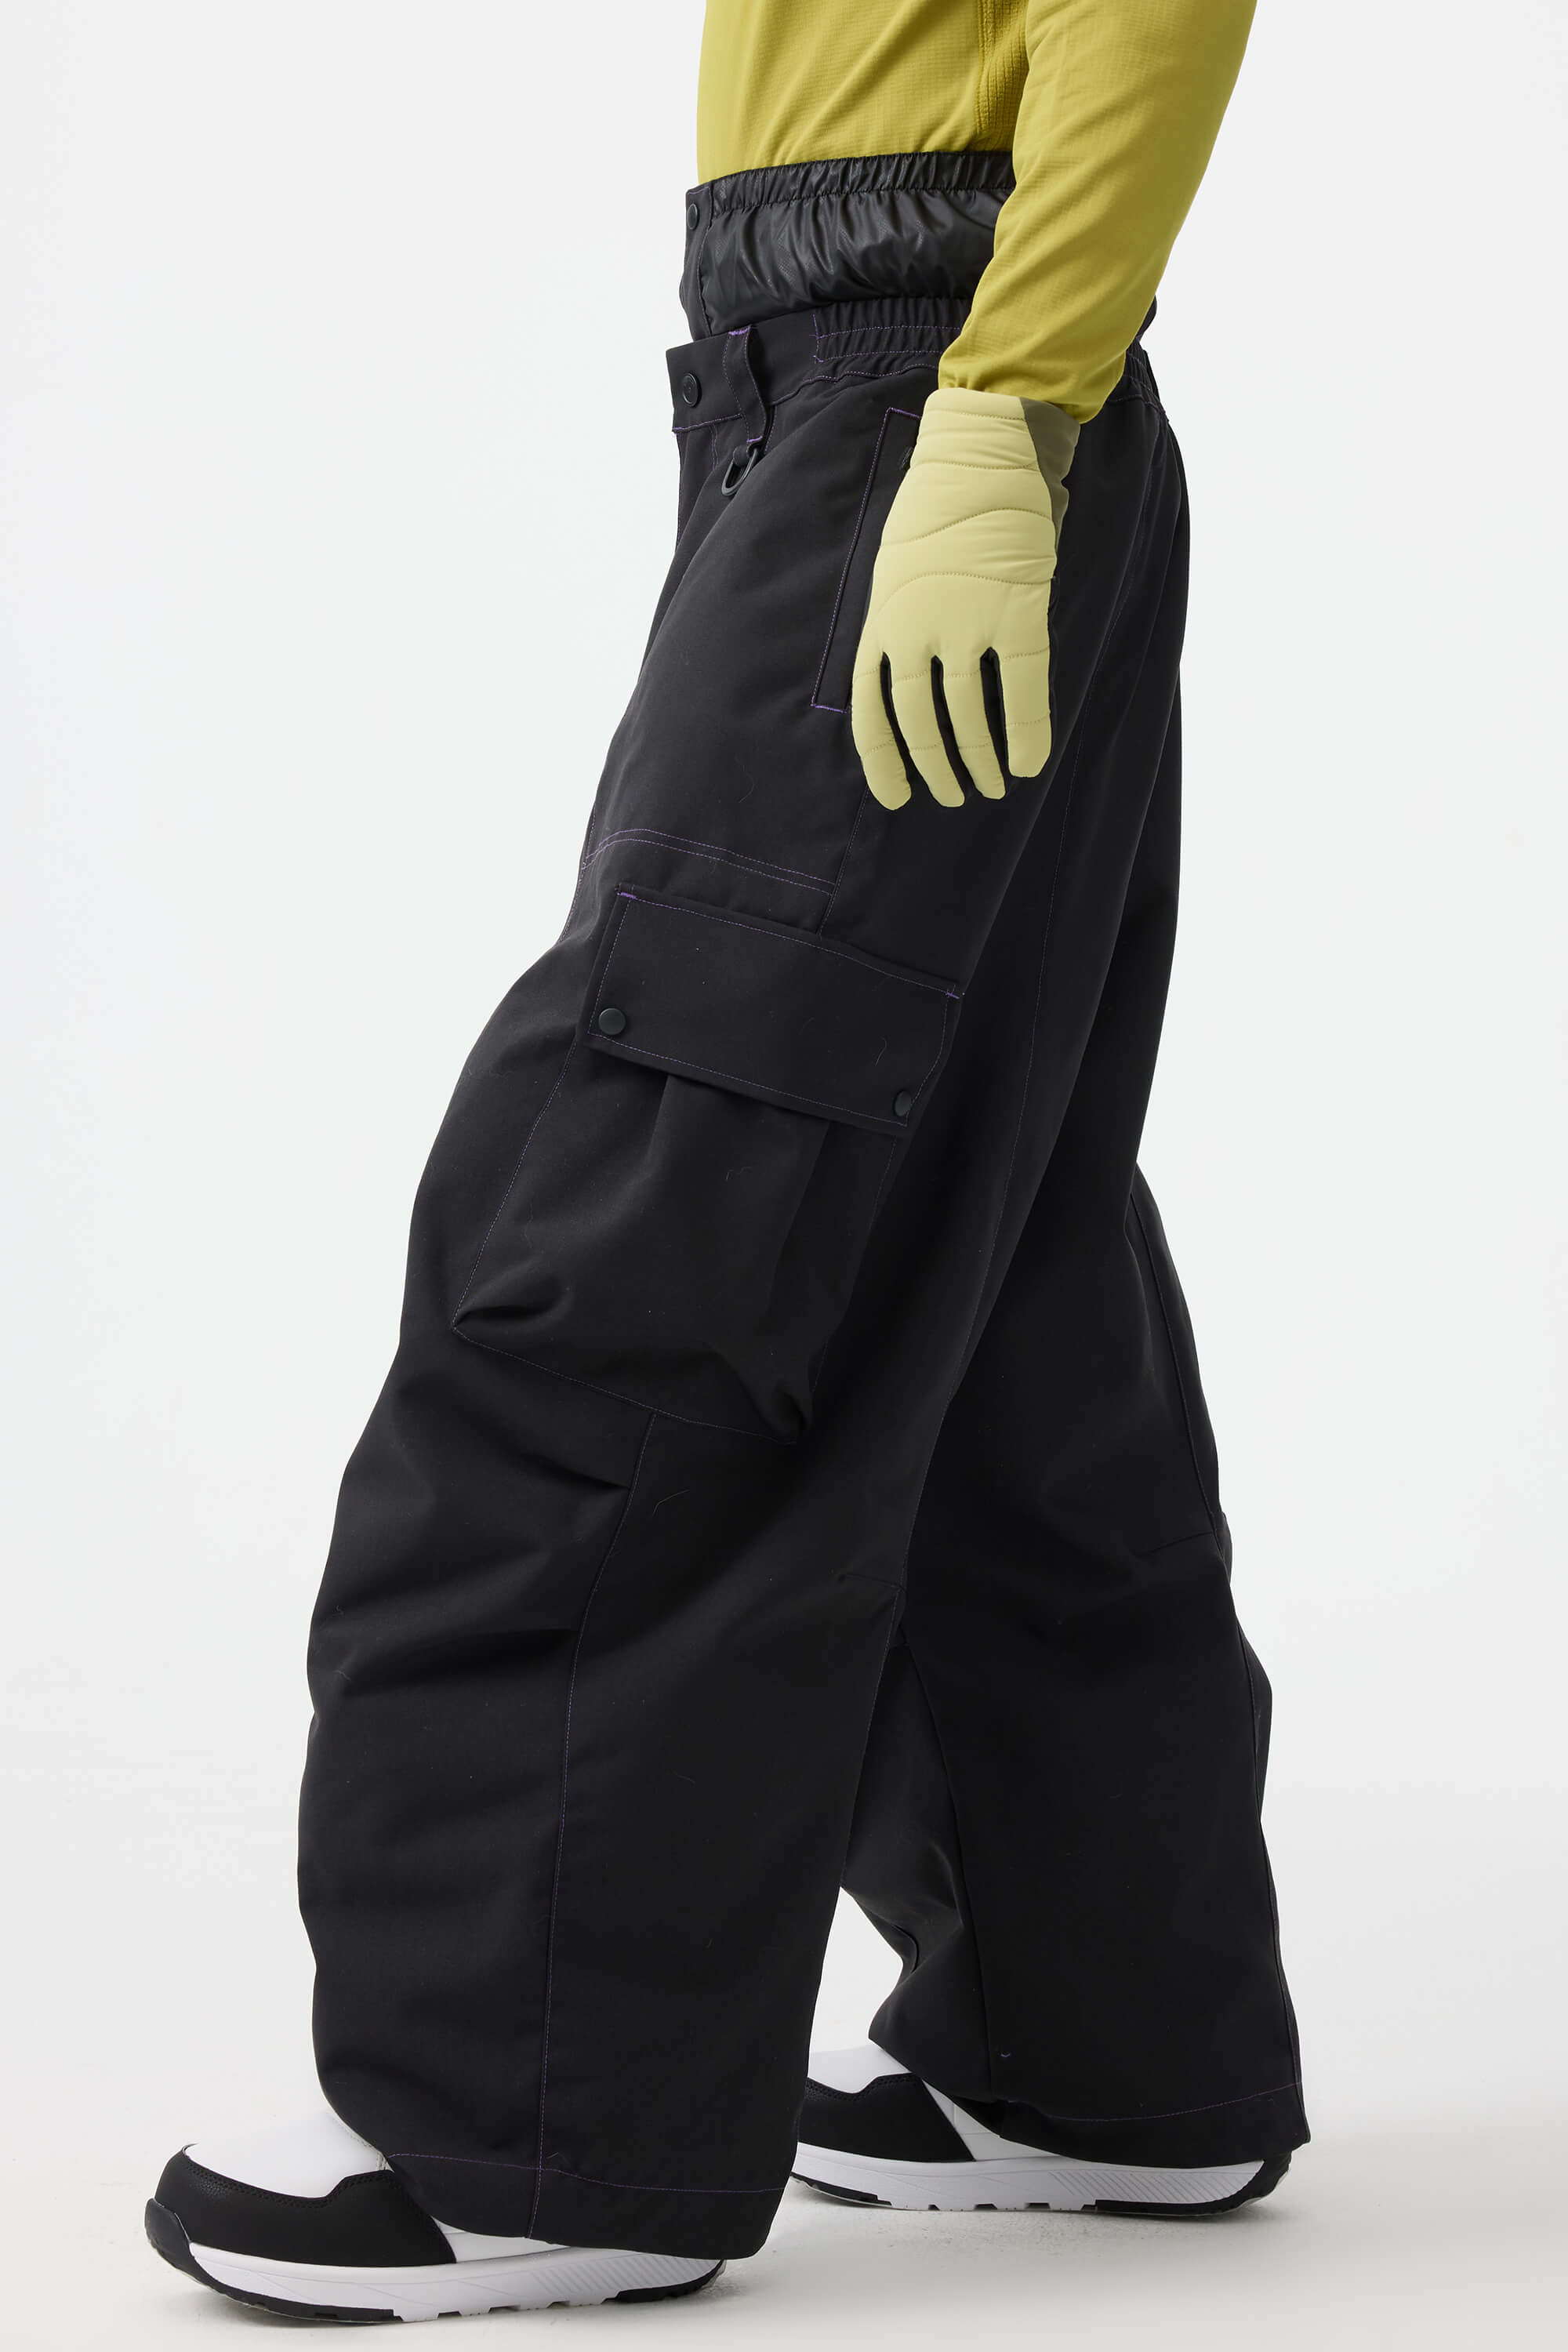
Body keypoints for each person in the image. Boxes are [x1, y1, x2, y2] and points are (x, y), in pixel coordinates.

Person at [146, 0, 1307, 2322]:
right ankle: (1098, 2052)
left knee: (646, 1222)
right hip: (881, 381)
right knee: (986, 1263)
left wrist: (1002, 405)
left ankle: (525, 2133)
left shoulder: (970, 389)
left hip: (936, 377)